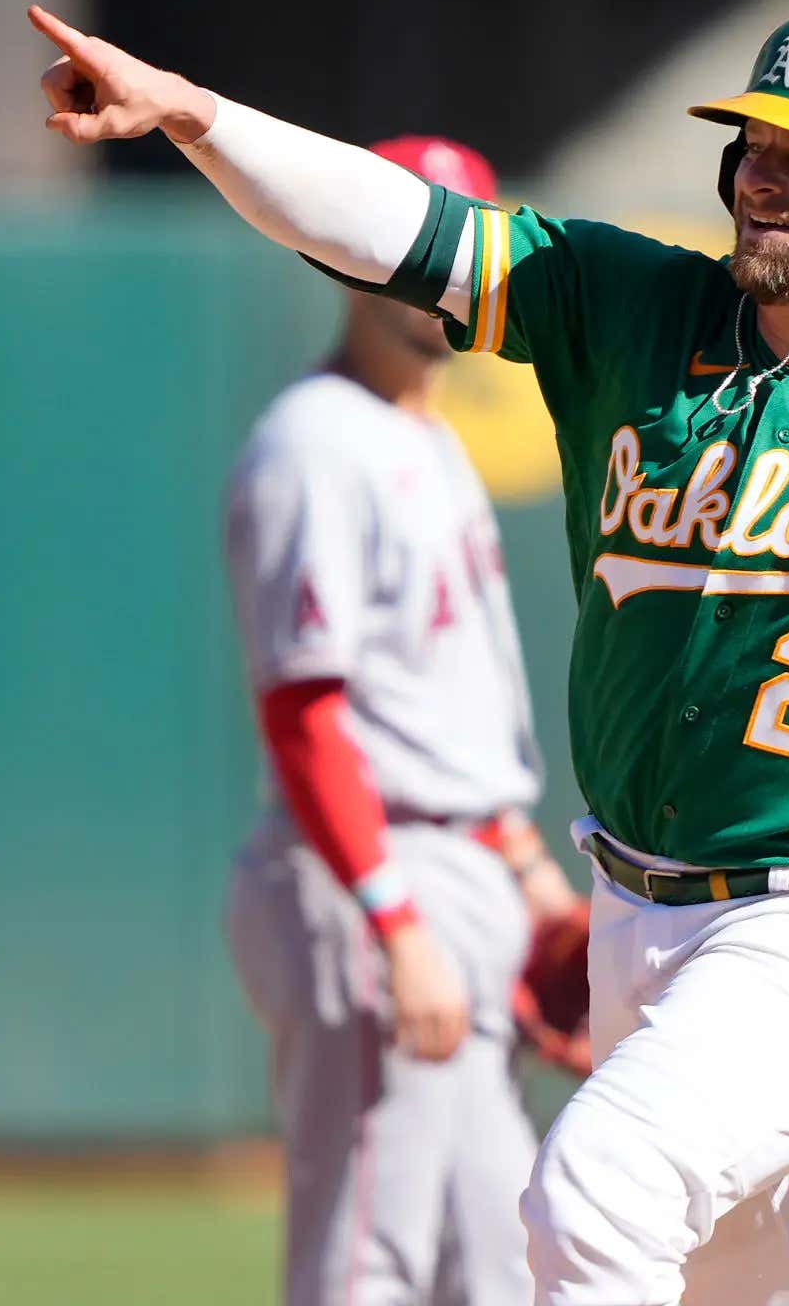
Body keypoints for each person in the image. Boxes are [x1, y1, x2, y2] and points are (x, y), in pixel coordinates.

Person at [26, 4, 789, 1304]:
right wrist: (193, 114)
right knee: (739, 1289)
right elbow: (388, 227)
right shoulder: (625, 306)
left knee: (591, 1200)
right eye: (753, 143)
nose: (760, 173)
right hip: (642, 909)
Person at [223, 132, 582, 1305]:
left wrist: (524, 873)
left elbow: (446, 706)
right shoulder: (314, 443)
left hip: (462, 865)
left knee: (502, 1259)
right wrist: (395, 918)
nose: (426, 274)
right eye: (397, 242)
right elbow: (302, 708)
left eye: (446, 242)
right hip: (373, 876)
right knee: (363, 1254)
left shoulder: (429, 435)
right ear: (343, 253)